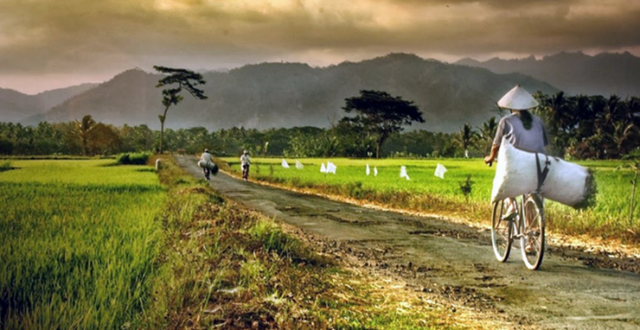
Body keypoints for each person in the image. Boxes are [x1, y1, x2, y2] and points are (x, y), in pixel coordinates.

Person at [484, 85, 549, 250]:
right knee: (531, 198)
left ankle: (511, 204)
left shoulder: (506, 121)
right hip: (538, 165)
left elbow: (496, 145)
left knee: (504, 180)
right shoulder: (538, 121)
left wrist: (490, 158)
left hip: (519, 165)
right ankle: (532, 243)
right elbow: (544, 145)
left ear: (511, 106)